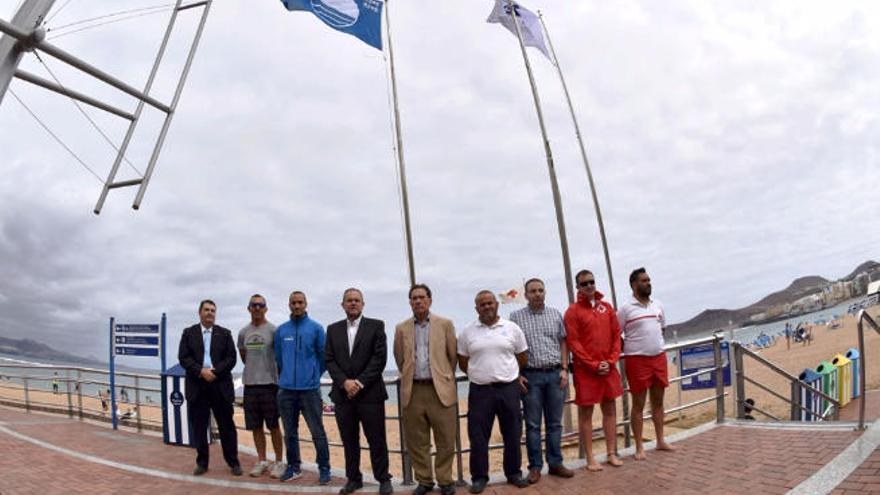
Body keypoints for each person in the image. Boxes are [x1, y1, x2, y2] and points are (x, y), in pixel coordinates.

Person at [457, 290, 529, 493]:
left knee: (513, 433)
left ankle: (514, 473)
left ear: (497, 304)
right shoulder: (467, 332)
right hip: (480, 391)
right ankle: (479, 477)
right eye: (482, 304)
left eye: (490, 303)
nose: (487, 307)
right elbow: (463, 361)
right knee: (478, 436)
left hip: (508, 388)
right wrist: (481, 373)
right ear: (476, 308)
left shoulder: (512, 328)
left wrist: (513, 374)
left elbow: (522, 356)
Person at [325, 288, 393, 495]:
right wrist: (345, 382)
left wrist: (359, 382)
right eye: (349, 300)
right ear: (343, 305)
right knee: (349, 440)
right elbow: (329, 359)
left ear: (363, 304)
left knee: (377, 439)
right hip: (343, 396)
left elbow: (379, 359)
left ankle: (383, 478)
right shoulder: (332, 329)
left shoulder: (376, 326)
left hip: (370, 394)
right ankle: (354, 479)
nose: (353, 303)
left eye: (356, 300)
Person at [393, 284, 458, 495]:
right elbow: (400, 357)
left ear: (430, 300)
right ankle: (424, 480)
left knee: (446, 439)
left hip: (439, 389)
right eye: (414, 298)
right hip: (413, 390)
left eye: (422, 297)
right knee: (416, 440)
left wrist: (443, 377)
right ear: (410, 302)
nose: (418, 301)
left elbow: (452, 356)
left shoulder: (445, 324)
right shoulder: (401, 328)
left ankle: (445, 480)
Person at [509, 278, 574, 483]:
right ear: (526, 294)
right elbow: (511, 347)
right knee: (533, 425)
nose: (537, 294)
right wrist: (517, 374)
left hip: (555, 375)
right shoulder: (516, 317)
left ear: (545, 292)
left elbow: (563, 343)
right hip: (531, 377)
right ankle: (535, 467)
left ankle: (555, 463)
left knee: (555, 424)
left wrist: (565, 369)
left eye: (540, 290)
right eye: (533, 291)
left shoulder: (555, 314)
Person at [564, 270, 624, 470]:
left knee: (609, 410)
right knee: (586, 414)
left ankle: (611, 453)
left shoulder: (606, 308)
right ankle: (590, 458)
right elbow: (574, 342)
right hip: (586, 372)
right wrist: (593, 364)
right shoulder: (572, 312)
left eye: (592, 282)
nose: (589, 286)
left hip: (608, 368)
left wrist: (611, 360)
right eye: (584, 283)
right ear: (578, 287)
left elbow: (616, 335)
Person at [178, 299, 242, 476]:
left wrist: (215, 372)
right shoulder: (188, 333)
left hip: (220, 386)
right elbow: (183, 357)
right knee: (199, 427)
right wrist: (200, 371)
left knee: (227, 427)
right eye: (206, 310)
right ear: (200, 312)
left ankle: (233, 462)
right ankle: (202, 463)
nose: (210, 313)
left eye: (213, 310)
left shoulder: (225, 333)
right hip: (197, 386)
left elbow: (231, 358)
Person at [274, 291, 332, 484]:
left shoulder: (316, 328)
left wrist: (313, 375)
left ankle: (324, 468)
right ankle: (293, 467)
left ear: (306, 304)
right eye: (293, 303)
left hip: (310, 390)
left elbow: (323, 357)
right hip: (286, 391)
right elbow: (279, 359)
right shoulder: (281, 330)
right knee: (289, 432)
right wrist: (286, 376)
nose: (297, 306)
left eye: (300, 302)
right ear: (289, 305)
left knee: (317, 432)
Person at [618, 268, 674, 460]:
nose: (648, 283)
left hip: (658, 357)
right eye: (644, 280)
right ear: (634, 284)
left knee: (658, 401)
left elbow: (662, 329)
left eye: (649, 279)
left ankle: (660, 440)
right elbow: (618, 334)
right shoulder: (626, 308)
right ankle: (639, 446)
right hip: (636, 360)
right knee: (638, 404)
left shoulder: (658, 305)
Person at [237, 294, 285, 479]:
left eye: (260, 305)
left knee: (274, 426)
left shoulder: (274, 331)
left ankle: (279, 461)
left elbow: (279, 359)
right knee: (256, 427)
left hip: (270, 385)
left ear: (266, 308)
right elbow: (244, 356)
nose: (257, 308)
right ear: (248, 308)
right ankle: (262, 460)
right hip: (250, 385)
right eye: (253, 305)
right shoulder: (243, 332)